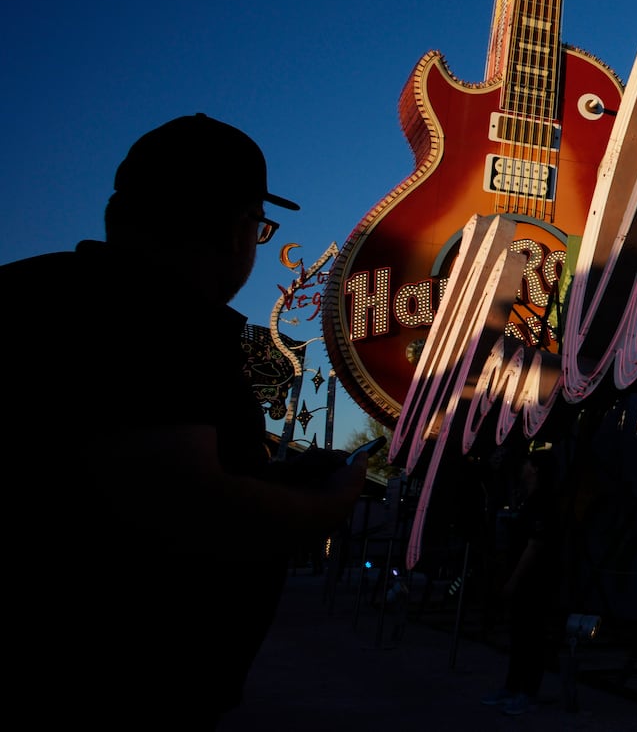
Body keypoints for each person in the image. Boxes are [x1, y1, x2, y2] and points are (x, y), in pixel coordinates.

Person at [2, 113, 370, 729]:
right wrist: (326, 508)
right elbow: (184, 500)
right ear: (236, 230)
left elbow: (119, 464)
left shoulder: (37, 291)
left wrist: (272, 478)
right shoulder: (160, 316)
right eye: (260, 228)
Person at [481, 446, 565, 716]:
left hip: (535, 581)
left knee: (531, 636)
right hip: (525, 578)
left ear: (536, 469)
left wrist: (514, 579)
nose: (523, 467)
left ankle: (527, 693)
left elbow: (535, 545)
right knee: (519, 635)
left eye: (528, 463)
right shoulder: (530, 500)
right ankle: (513, 688)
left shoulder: (542, 501)